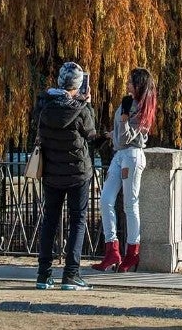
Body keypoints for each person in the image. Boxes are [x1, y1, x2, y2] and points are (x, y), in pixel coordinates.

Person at [33, 62, 96, 290]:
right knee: (77, 221)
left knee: (49, 220)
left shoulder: (43, 104)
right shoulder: (80, 109)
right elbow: (91, 133)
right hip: (77, 173)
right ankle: (71, 275)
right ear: (78, 85)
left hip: (51, 172)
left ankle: (43, 274)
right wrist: (86, 104)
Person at [93, 67, 156, 272]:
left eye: (130, 82)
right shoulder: (127, 103)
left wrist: (124, 118)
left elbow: (129, 136)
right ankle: (112, 250)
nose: (127, 84)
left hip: (132, 155)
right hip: (120, 154)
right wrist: (107, 135)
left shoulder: (141, 107)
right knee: (106, 199)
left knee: (130, 204)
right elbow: (121, 135)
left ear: (139, 85)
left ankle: (132, 252)